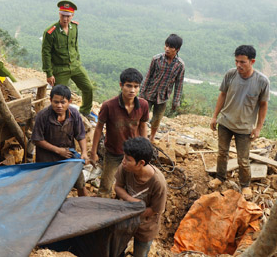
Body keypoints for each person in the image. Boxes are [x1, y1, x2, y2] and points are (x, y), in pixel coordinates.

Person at [209, 45, 269, 199]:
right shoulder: (230, 75)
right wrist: (215, 116)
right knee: (222, 153)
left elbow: (263, 105)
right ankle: (220, 177)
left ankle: (245, 185)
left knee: (243, 160)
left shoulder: (262, 81)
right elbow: (222, 95)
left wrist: (258, 128)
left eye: (242, 62)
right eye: (236, 61)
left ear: (252, 61)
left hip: (244, 128)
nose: (238, 65)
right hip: (225, 122)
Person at [90, 68, 149, 198]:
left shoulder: (143, 105)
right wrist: (93, 152)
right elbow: (99, 128)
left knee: (129, 186)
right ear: (121, 85)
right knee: (106, 185)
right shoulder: (109, 106)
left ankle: (121, 210)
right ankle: (101, 210)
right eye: (128, 86)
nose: (132, 90)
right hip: (113, 152)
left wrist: (145, 148)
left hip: (133, 154)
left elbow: (143, 126)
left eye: (136, 86)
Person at [31, 84, 89, 196]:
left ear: (69, 101)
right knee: (49, 188)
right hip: (47, 159)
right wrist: (58, 150)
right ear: (50, 100)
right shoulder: (42, 116)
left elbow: (81, 135)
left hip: (68, 156)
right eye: (56, 102)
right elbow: (37, 139)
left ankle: (86, 205)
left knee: (80, 183)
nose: (59, 106)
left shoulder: (74, 114)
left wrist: (84, 153)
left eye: (63, 102)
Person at [115, 137, 167, 257]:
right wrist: (131, 201)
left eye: (128, 159)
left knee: (140, 254)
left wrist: (135, 213)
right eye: (124, 157)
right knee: (116, 250)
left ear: (141, 163)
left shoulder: (158, 183)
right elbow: (118, 187)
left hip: (146, 226)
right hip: (125, 219)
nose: (123, 161)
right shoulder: (125, 168)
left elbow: (155, 210)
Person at [41, 0, 93, 118]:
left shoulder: (74, 27)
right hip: (60, 69)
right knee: (59, 96)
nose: (65, 19)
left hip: (75, 65)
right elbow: (46, 53)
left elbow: (75, 45)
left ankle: (85, 112)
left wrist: (77, 61)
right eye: (63, 15)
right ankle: (58, 117)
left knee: (88, 88)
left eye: (68, 16)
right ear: (59, 14)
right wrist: (49, 73)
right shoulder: (51, 32)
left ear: (72, 16)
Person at [139, 34, 185, 143]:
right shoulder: (156, 59)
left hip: (163, 97)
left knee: (157, 119)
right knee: (142, 117)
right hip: (149, 93)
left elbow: (179, 84)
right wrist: (141, 93)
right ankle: (140, 136)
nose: (167, 49)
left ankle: (151, 138)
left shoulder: (180, 65)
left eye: (171, 47)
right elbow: (148, 76)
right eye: (166, 46)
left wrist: (176, 101)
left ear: (177, 49)